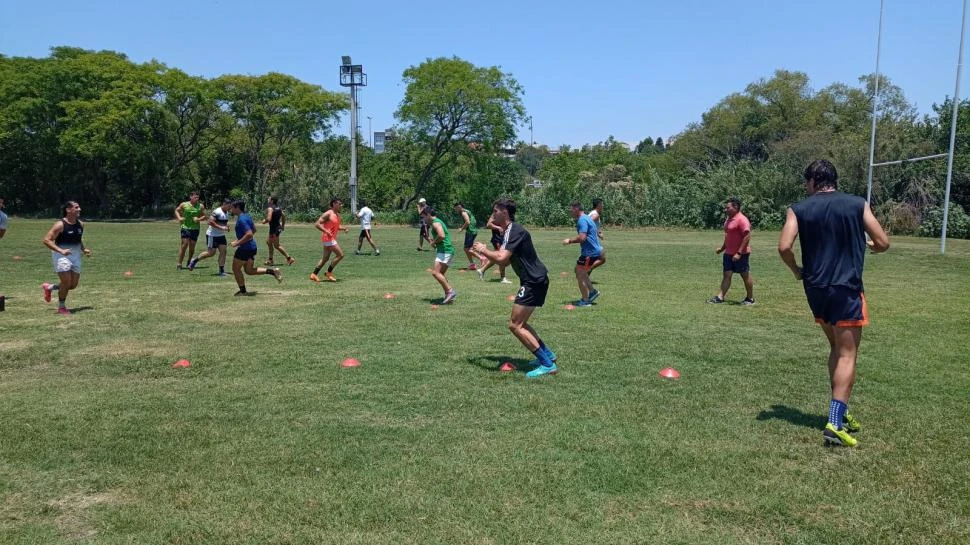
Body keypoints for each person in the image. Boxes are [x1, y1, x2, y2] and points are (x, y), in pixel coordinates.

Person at [778, 159, 890, 448]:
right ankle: (835, 422)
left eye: (806, 181)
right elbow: (883, 241)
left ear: (814, 180)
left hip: (815, 288)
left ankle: (841, 410)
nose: (805, 187)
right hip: (846, 288)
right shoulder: (856, 204)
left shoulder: (798, 209)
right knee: (847, 354)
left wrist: (796, 271)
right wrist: (872, 247)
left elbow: (784, 246)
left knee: (837, 349)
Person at [473, 198, 558, 378]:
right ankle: (548, 355)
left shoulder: (514, 230)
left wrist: (483, 250)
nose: (493, 214)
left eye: (495, 211)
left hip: (533, 281)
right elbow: (504, 257)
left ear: (505, 212)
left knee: (515, 325)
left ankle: (547, 364)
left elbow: (503, 258)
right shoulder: (508, 231)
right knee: (521, 323)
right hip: (533, 280)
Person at [42, 201, 92, 314]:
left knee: (72, 285)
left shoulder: (81, 224)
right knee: (66, 281)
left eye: (79, 207)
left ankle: (49, 287)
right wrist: (61, 251)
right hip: (61, 256)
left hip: (75, 257)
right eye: (76, 207)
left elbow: (77, 239)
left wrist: (83, 249)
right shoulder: (60, 225)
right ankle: (61, 307)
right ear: (68, 210)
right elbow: (46, 240)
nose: (79, 209)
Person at [229, 200, 282, 295]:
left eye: (232, 207)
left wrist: (237, 243)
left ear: (237, 208)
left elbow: (249, 234)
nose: (231, 209)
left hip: (245, 249)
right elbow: (254, 230)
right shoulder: (247, 216)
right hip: (252, 247)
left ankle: (243, 292)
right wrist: (243, 240)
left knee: (236, 269)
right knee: (249, 270)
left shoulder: (242, 219)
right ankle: (273, 271)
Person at [709, 197, 755, 305]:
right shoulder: (729, 219)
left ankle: (750, 298)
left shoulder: (742, 219)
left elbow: (747, 236)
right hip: (728, 253)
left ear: (735, 207)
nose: (725, 209)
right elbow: (728, 236)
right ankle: (720, 297)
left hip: (741, 254)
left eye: (728, 207)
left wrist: (739, 253)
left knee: (745, 275)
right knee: (727, 275)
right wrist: (722, 248)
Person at [562, 201, 602, 307]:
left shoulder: (582, 220)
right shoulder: (586, 218)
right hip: (592, 251)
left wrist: (569, 241)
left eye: (571, 210)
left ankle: (585, 300)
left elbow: (582, 238)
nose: (570, 212)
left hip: (590, 252)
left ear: (576, 209)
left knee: (580, 273)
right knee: (579, 270)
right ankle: (592, 292)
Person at [421, 206, 457, 304]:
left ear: (428, 215)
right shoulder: (437, 221)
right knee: (441, 274)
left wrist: (433, 242)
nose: (423, 220)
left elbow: (441, 235)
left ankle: (450, 292)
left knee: (435, 273)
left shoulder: (436, 223)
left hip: (445, 251)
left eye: (424, 217)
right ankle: (448, 296)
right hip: (447, 250)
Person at [188, 198, 232, 276]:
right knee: (211, 253)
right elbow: (210, 222)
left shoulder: (227, 212)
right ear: (224, 204)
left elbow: (223, 223)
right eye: (228, 206)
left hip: (221, 235)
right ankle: (194, 260)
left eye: (230, 206)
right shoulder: (217, 211)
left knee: (223, 252)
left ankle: (221, 271)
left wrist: (226, 227)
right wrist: (221, 228)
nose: (230, 208)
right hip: (212, 235)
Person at [310, 198, 350, 282]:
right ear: (334, 204)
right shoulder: (328, 213)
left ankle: (314, 274)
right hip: (328, 238)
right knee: (340, 255)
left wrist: (344, 228)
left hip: (330, 238)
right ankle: (329, 272)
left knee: (325, 259)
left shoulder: (338, 215)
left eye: (341, 204)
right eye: (339, 204)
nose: (341, 206)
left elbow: (337, 227)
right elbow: (317, 224)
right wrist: (326, 231)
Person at [175, 191, 207, 270]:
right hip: (185, 227)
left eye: (198, 198)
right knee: (184, 245)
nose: (197, 199)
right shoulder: (184, 204)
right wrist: (179, 218)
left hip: (195, 229)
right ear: (191, 197)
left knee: (192, 247)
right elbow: (177, 210)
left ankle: (189, 261)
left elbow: (205, 216)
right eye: (195, 197)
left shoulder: (200, 206)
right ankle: (179, 264)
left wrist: (198, 219)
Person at [477, 212, 512, 283]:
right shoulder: (495, 214)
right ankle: (503, 278)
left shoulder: (505, 214)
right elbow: (488, 224)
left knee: (498, 258)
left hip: (503, 238)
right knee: (502, 258)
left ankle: (482, 270)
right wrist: (498, 227)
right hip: (497, 239)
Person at [261, 196, 295, 266]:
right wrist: (282, 226)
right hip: (277, 228)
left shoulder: (270, 208)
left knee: (276, 245)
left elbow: (269, 218)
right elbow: (283, 216)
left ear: (272, 201)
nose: (268, 199)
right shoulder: (279, 208)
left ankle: (289, 258)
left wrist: (264, 221)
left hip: (274, 229)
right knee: (269, 242)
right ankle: (270, 260)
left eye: (269, 199)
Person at [454, 202, 479, 270]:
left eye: (456, 209)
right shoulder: (467, 211)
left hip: (471, 232)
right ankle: (472, 264)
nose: (456, 210)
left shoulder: (463, 212)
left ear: (459, 207)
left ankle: (482, 258)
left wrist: (461, 229)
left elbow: (468, 222)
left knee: (467, 249)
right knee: (467, 249)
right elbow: (474, 220)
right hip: (471, 231)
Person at [587, 198, 606, 272]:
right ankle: (586, 270)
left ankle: (585, 274)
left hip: (590, 239)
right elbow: (588, 223)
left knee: (592, 259)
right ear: (598, 205)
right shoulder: (595, 214)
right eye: (602, 205)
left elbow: (593, 225)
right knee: (602, 258)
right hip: (591, 240)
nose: (603, 206)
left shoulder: (593, 213)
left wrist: (599, 233)